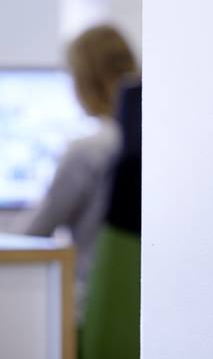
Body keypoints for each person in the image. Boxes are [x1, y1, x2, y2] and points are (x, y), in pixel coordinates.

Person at [24, 24, 139, 323]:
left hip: (88, 311)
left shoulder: (87, 150)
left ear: (84, 80)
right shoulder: (154, 142)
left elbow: (32, 234)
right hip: (141, 312)